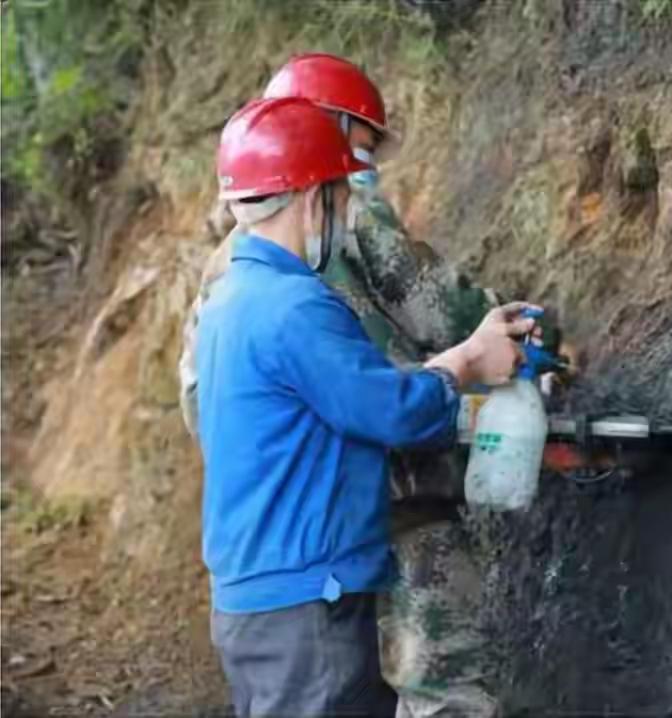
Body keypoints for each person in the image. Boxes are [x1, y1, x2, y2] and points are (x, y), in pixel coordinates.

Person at [179, 54, 563, 717]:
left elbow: (204, 414)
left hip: (287, 556)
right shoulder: (303, 281)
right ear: (315, 176)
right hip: (374, 526)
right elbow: (424, 351)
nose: (360, 176)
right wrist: (487, 353)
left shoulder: (227, 284)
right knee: (445, 690)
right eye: (355, 152)